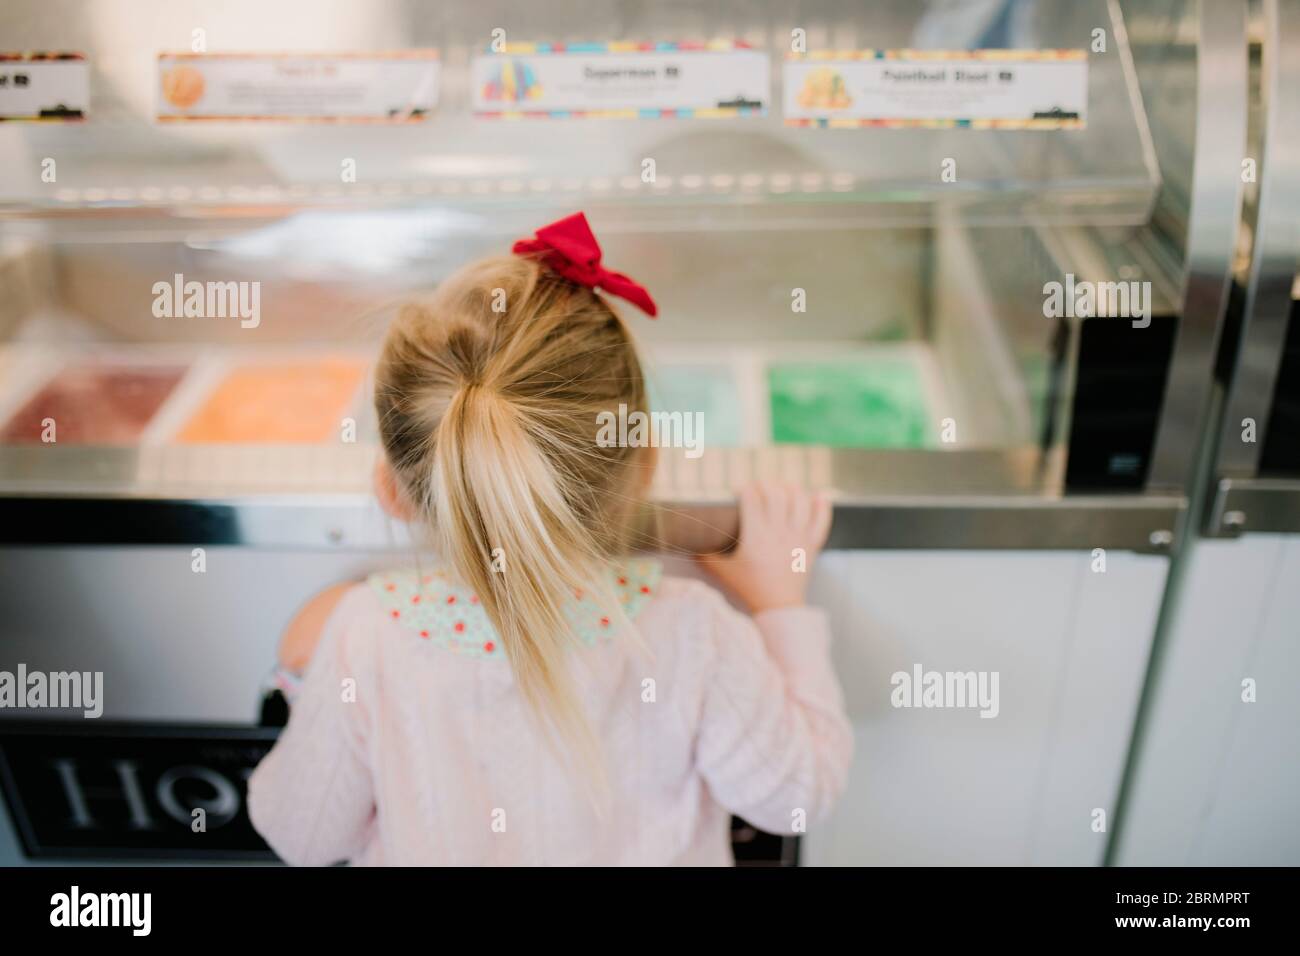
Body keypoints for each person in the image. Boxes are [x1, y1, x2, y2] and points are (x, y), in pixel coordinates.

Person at [248, 212, 852, 865]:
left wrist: (306, 680)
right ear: (643, 464)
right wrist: (781, 609)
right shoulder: (694, 631)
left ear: (393, 490)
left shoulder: (363, 637)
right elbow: (796, 796)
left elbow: (301, 836)